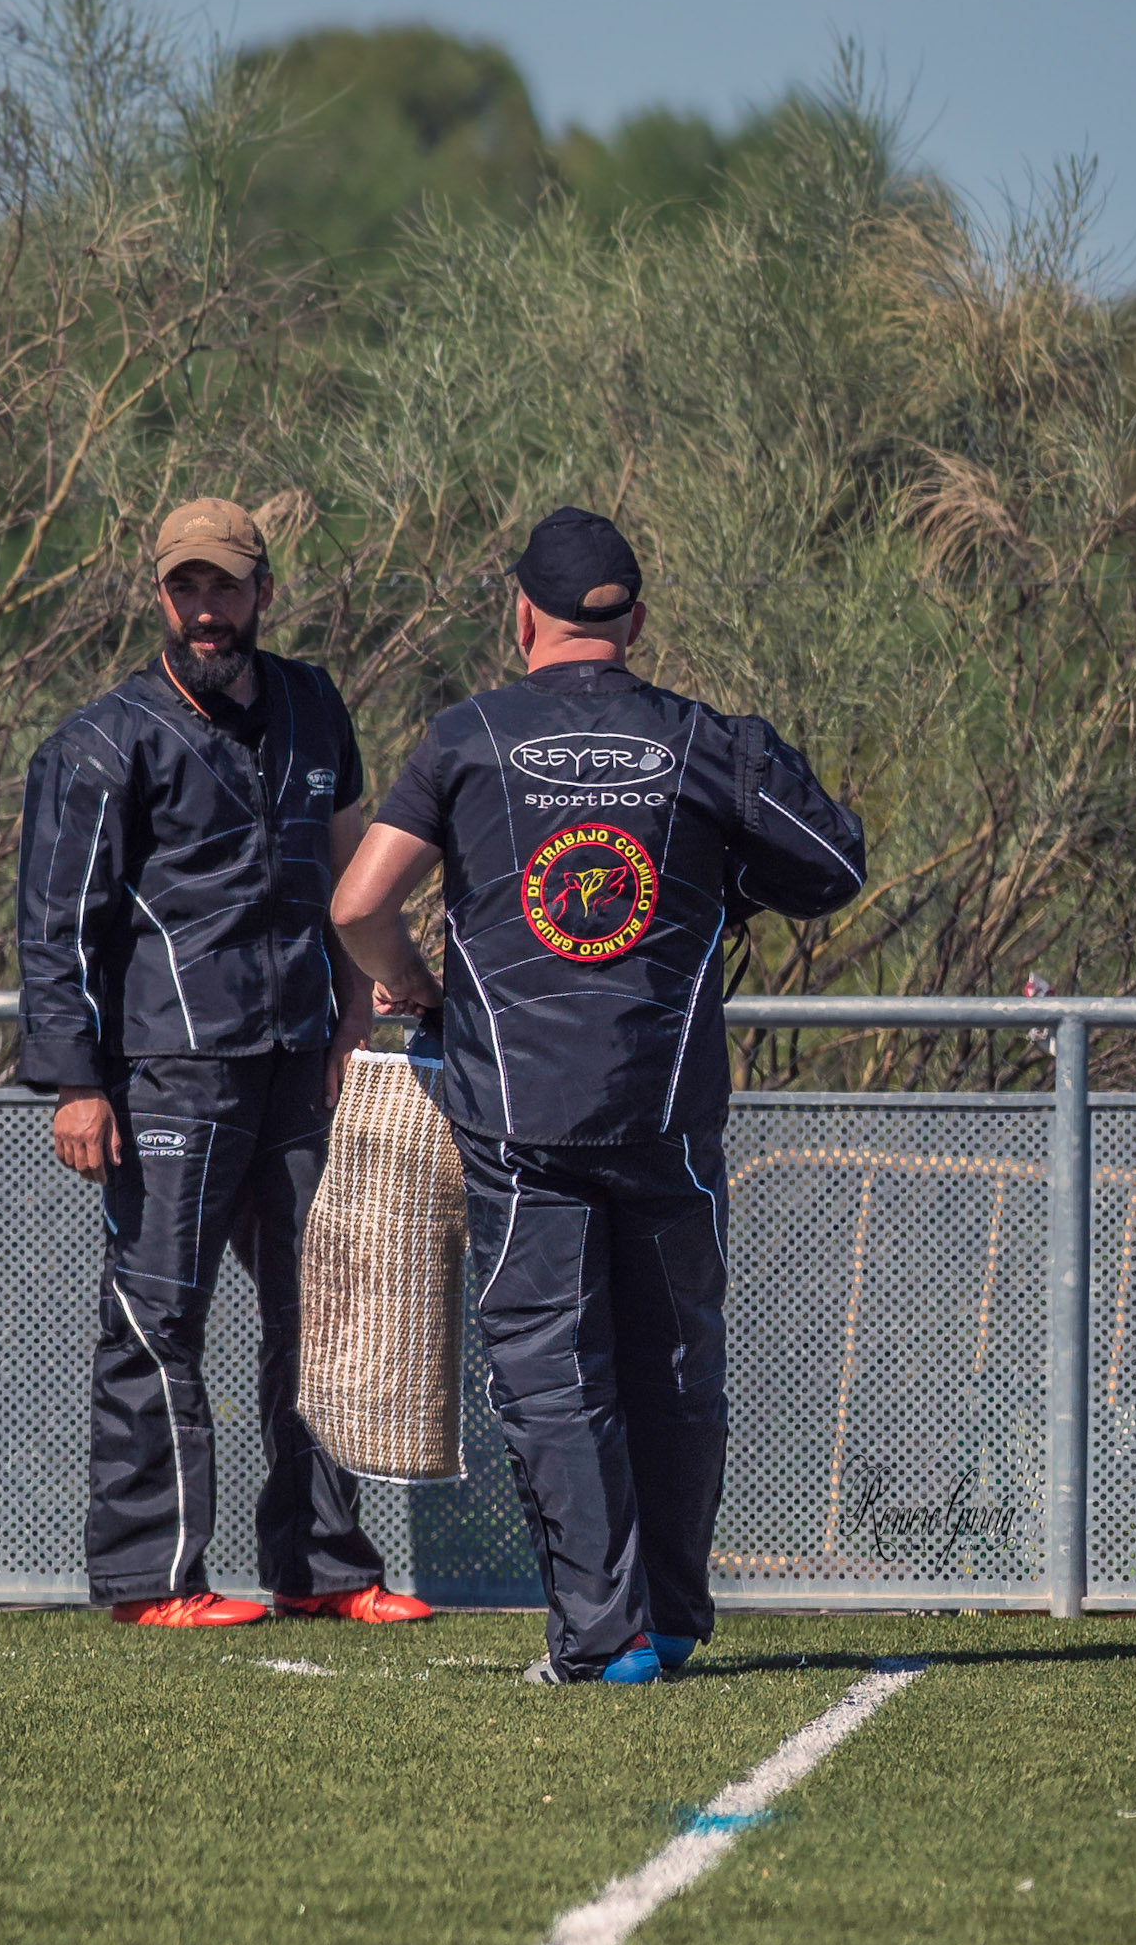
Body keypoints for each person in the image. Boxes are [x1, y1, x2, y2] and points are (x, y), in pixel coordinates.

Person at [331, 507, 862, 1681]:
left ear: (521, 616)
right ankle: (667, 1621)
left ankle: (603, 1636)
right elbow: (833, 865)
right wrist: (720, 880)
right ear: (635, 621)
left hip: (518, 1118)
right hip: (666, 1111)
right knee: (675, 1366)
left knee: (552, 1373)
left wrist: (413, 986)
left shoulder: (466, 737)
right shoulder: (703, 740)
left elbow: (358, 904)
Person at [16, 495, 431, 1629]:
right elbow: (57, 930)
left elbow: (350, 870)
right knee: (156, 1322)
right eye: (185, 587)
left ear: (263, 591)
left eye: (225, 586)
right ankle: (154, 1581)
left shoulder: (313, 703)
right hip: (170, 1073)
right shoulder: (102, 742)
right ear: (160, 596)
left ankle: (322, 1570)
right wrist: (77, 1083)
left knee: (324, 1316)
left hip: (302, 1061)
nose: (206, 608)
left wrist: (356, 1014)